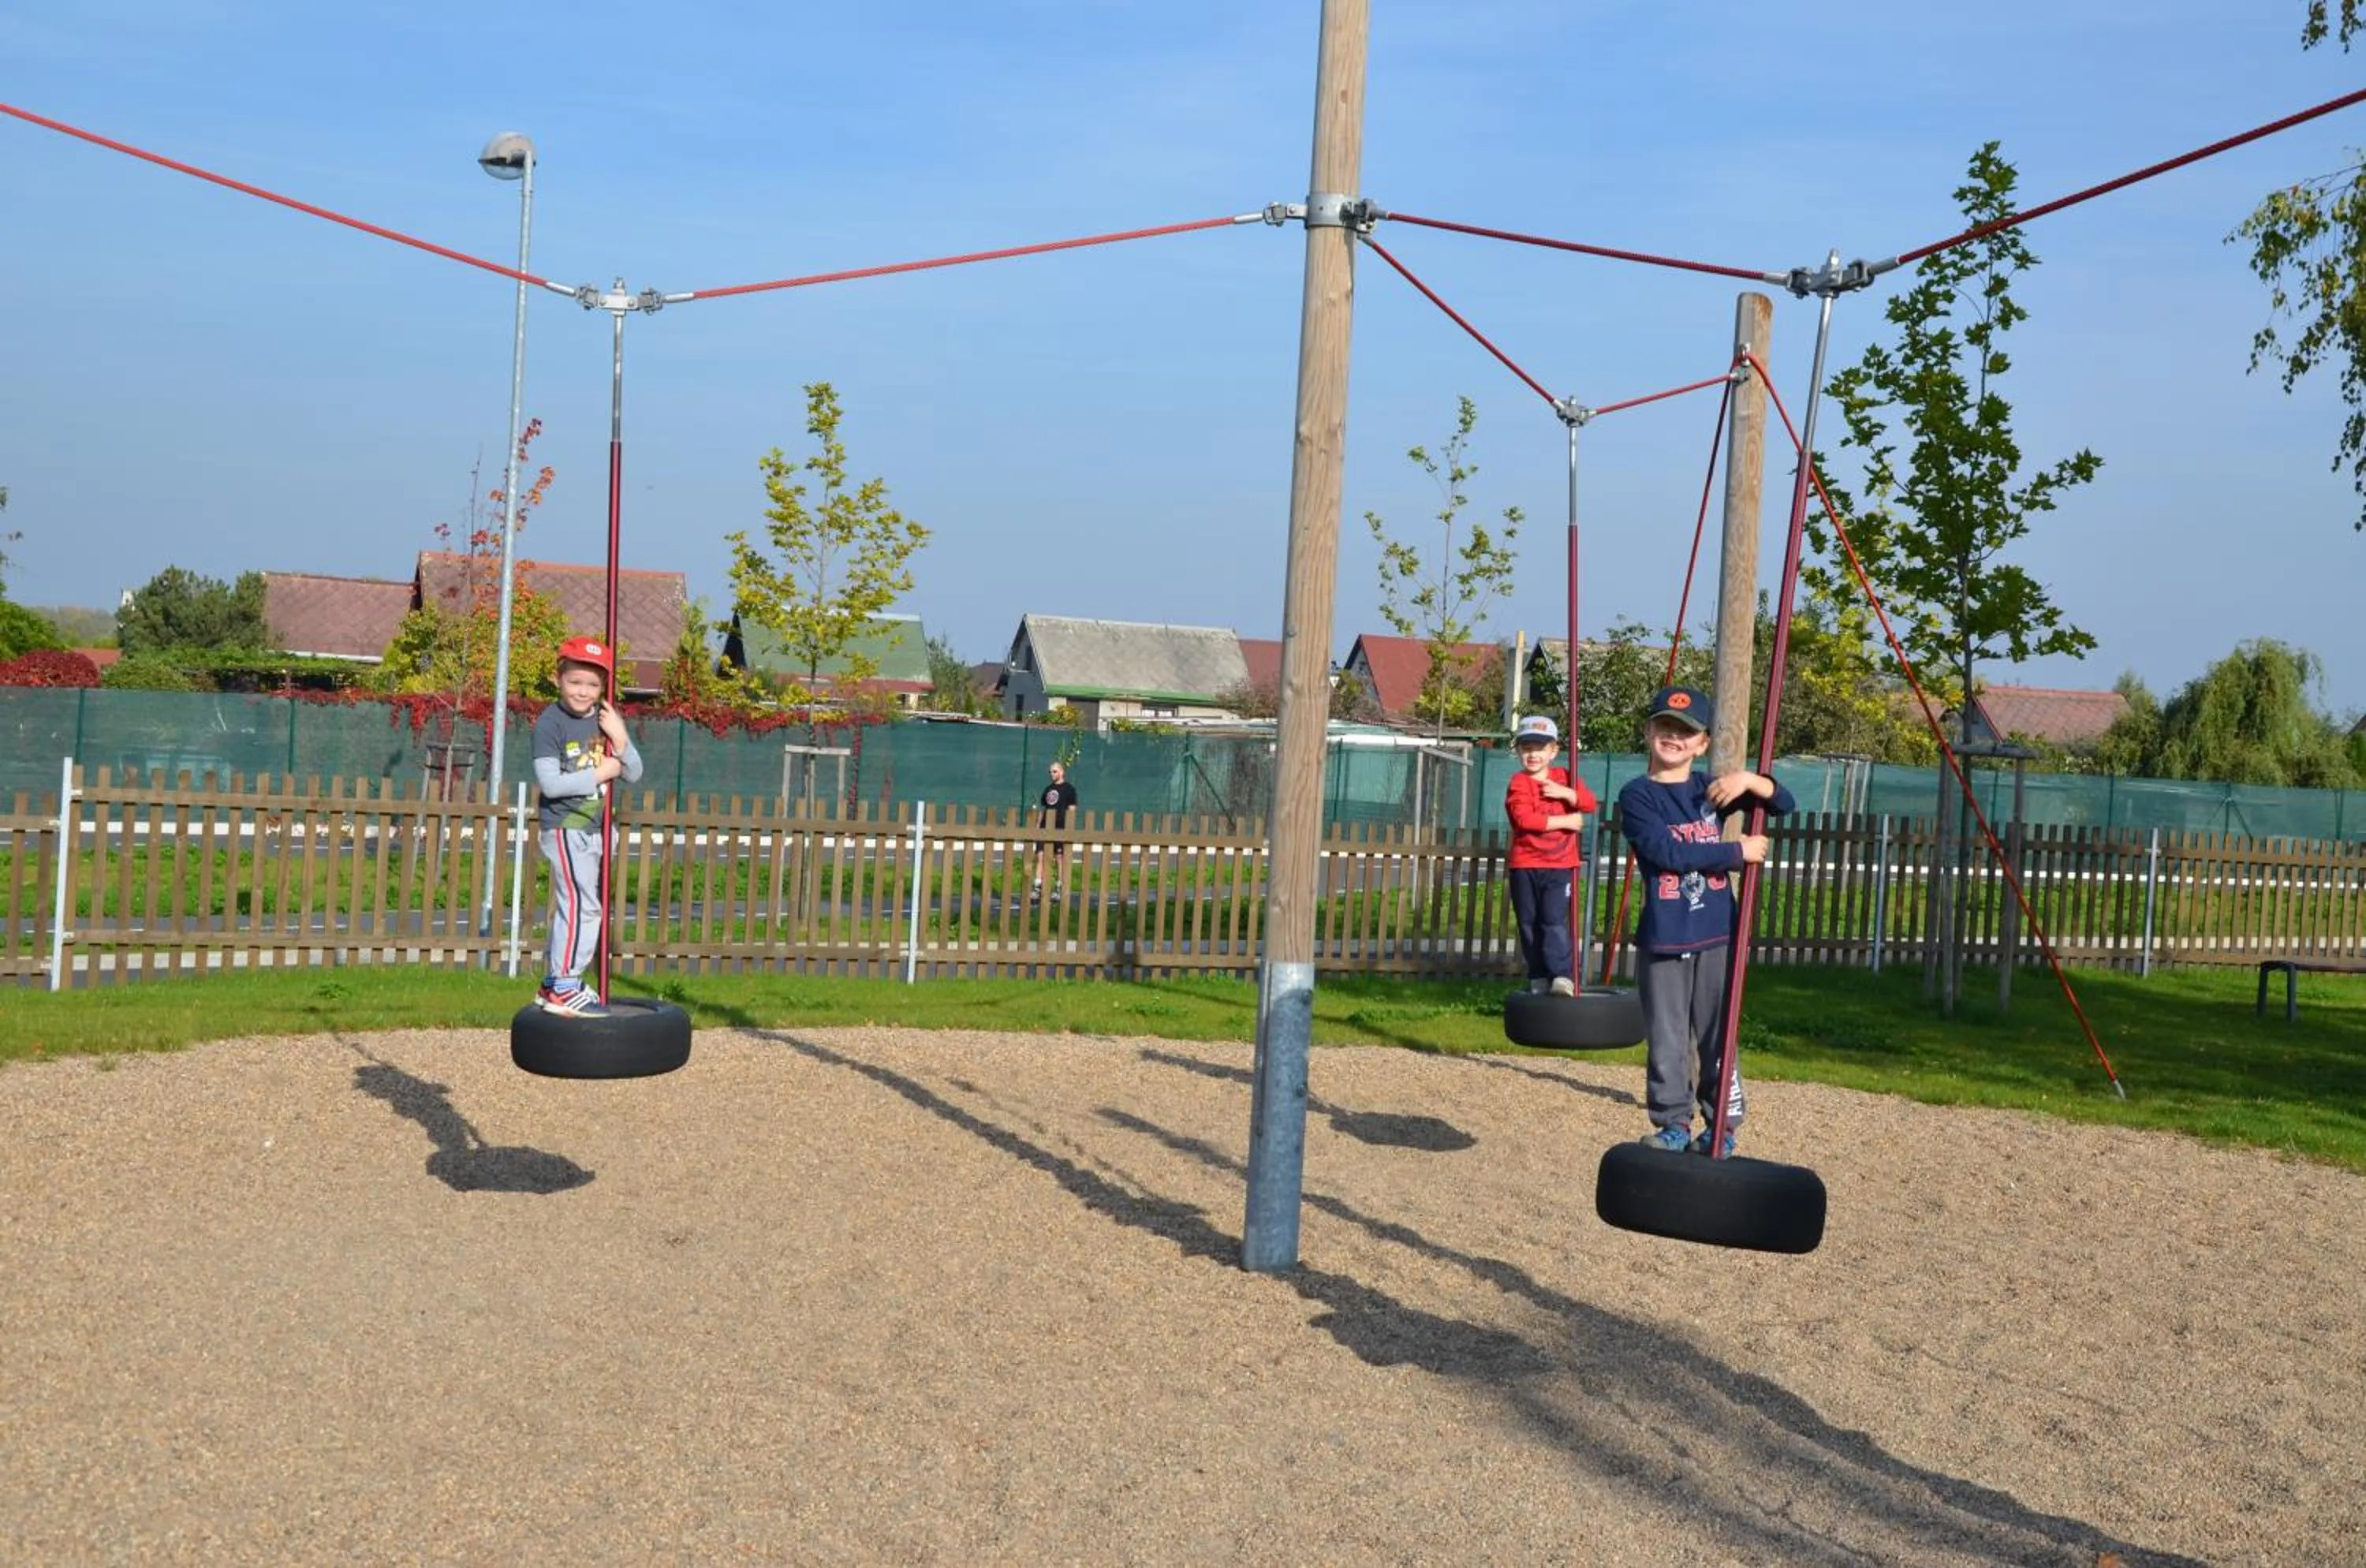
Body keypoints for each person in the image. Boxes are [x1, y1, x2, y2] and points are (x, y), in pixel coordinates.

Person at [1617, 685, 1793, 1156]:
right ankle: (1673, 1122)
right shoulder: (1637, 796)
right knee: (1668, 1037)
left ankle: (1723, 1126)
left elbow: (1784, 804)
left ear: (1702, 744)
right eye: (1665, 727)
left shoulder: (1709, 791)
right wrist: (1737, 852)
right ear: (1649, 732)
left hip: (1717, 932)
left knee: (1718, 1031)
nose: (1674, 738)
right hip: (1666, 935)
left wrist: (1753, 782)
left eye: (1686, 732)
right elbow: (1665, 851)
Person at [532, 635, 643, 1018]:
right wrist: (601, 772)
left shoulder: (604, 718)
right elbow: (550, 784)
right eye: (575, 682)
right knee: (582, 907)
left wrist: (621, 738)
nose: (583, 691)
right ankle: (565, 984)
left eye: (593, 684)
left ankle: (554, 981)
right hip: (565, 825)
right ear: (558, 679)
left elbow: (635, 772)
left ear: (603, 687)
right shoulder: (550, 723)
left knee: (581, 906)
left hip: (595, 828)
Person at [1503, 713, 1597, 996]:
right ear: (1518, 750)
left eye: (1540, 748)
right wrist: (1566, 822)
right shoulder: (1519, 783)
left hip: (1559, 866)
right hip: (1525, 864)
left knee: (1553, 920)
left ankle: (1562, 975)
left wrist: (1567, 794)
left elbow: (1589, 803)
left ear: (1553, 751)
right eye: (1526, 748)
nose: (1533, 755)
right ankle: (1538, 974)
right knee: (1529, 923)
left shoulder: (1565, 777)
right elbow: (1524, 819)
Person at [1029, 759, 1078, 903]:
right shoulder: (1048, 789)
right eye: (1050, 772)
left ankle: (1059, 887)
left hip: (1060, 828)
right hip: (1046, 827)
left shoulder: (1069, 789)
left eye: (1055, 771)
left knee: (1059, 857)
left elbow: (1072, 809)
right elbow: (1044, 809)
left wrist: (1069, 828)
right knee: (1040, 855)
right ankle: (1038, 887)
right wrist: (1038, 826)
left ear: (1062, 772)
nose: (1052, 774)